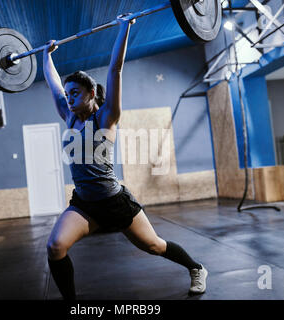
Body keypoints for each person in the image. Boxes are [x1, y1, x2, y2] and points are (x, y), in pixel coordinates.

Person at [43, 14, 207, 300]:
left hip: (114, 201)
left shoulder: (106, 118)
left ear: (91, 93)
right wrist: (47, 56)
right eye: (68, 94)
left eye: (75, 93)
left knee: (155, 245)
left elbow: (115, 72)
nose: (68, 98)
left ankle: (196, 268)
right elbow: (53, 84)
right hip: (85, 203)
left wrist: (123, 29)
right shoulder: (69, 118)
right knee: (55, 246)